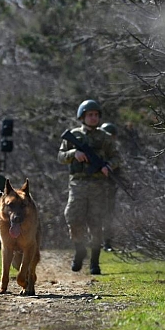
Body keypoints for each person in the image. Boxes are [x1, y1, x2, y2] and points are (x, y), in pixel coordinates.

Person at [57, 100, 120, 275]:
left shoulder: (105, 137)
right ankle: (79, 250)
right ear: (82, 116)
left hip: (98, 185)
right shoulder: (74, 135)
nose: (93, 118)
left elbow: (117, 157)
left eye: (96, 115)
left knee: (96, 223)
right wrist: (73, 154)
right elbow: (60, 156)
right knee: (73, 217)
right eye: (90, 115)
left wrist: (108, 166)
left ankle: (94, 262)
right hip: (78, 183)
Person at [99, 122, 119, 252]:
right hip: (94, 187)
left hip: (109, 187)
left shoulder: (113, 153)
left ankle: (107, 242)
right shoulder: (97, 150)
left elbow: (118, 165)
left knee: (108, 216)